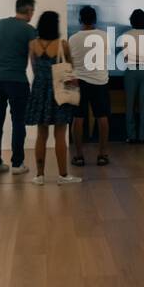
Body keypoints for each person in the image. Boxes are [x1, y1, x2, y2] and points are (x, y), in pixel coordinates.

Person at [25, 11, 81, 185]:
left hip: (39, 91)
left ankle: (39, 175)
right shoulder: (62, 45)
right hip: (59, 92)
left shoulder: (32, 44)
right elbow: (69, 69)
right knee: (60, 134)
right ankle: (63, 175)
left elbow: (34, 68)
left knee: (41, 135)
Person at [0, 0, 36, 174]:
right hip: (17, 81)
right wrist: (36, 79)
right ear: (29, 10)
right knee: (18, 121)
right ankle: (17, 164)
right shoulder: (30, 30)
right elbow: (33, 58)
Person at [69, 5, 111, 167]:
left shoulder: (73, 39)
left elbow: (70, 62)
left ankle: (79, 156)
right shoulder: (105, 36)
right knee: (102, 117)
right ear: (95, 20)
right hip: (100, 81)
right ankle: (102, 154)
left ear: (80, 19)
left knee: (78, 119)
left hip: (79, 82)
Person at [119, 9, 144, 143]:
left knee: (130, 105)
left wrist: (135, 58)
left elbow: (126, 57)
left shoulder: (125, 36)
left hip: (130, 71)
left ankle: (131, 136)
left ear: (131, 20)